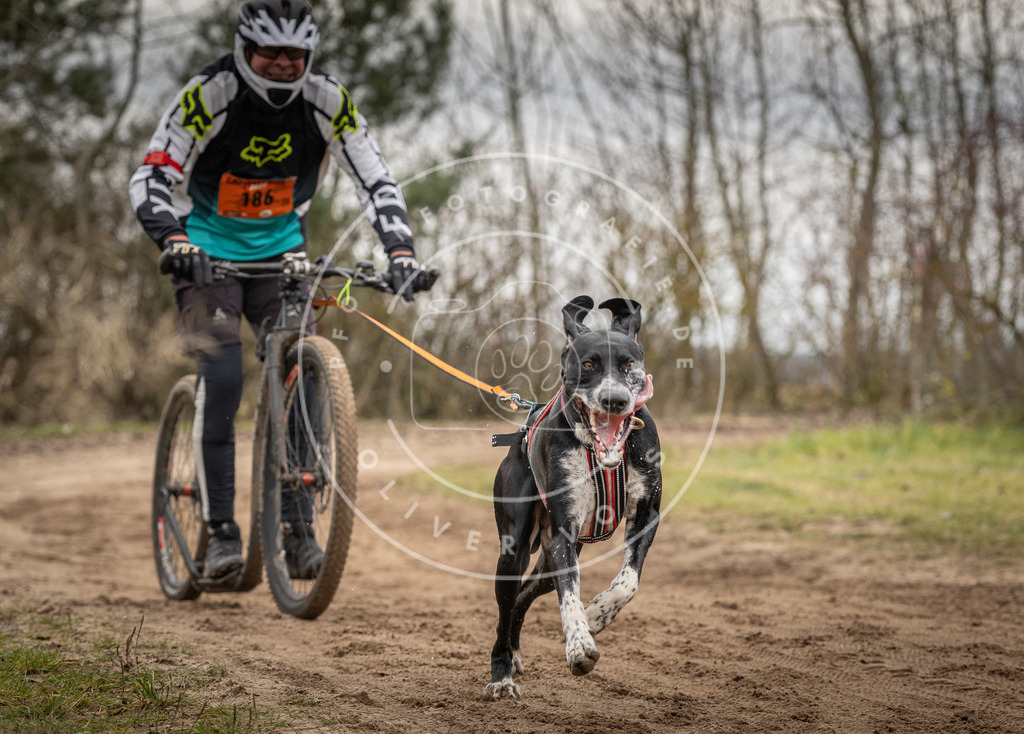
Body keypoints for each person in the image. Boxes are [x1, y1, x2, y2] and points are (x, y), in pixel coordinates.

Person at [129, 0, 435, 579]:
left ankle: (297, 532)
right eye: (268, 52)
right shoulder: (208, 95)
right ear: (245, 48)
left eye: (293, 55)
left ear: (309, 55)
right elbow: (151, 175)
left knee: (304, 379)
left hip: (285, 260)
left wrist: (401, 252)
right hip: (205, 256)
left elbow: (377, 179)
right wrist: (172, 238)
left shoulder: (328, 102)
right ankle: (221, 533)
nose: (280, 65)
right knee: (221, 380)